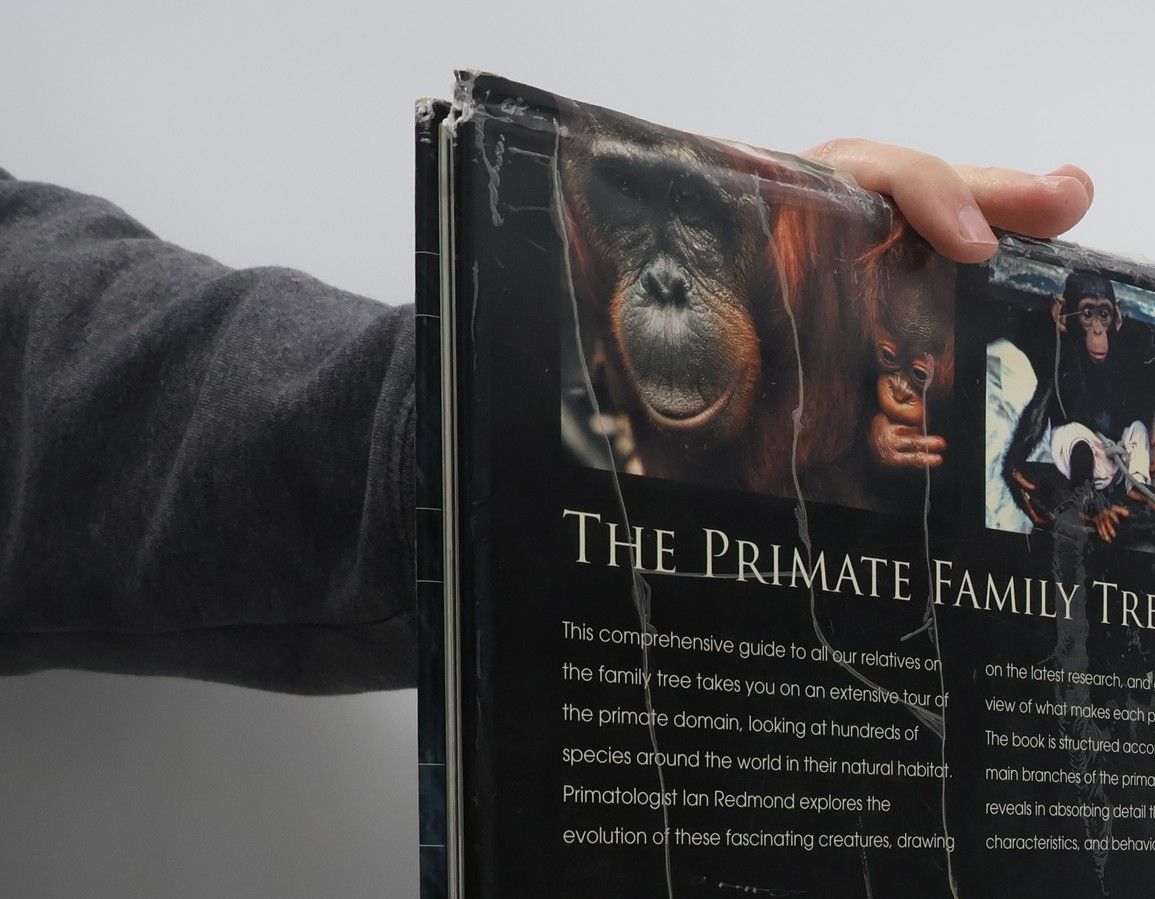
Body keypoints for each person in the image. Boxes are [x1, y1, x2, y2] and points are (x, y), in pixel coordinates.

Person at [0, 140, 1093, 694]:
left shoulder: (883, 355)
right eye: (637, 224)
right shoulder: (599, 385)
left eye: (698, 226)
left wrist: (816, 247)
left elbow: (96, 357)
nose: (665, 287)